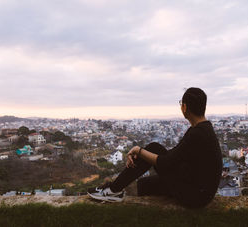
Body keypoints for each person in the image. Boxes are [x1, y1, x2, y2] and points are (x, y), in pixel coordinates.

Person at [88, 87, 222, 208]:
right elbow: (174, 156)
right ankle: (118, 193)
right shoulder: (203, 129)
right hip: (197, 188)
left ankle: (112, 190)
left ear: (185, 107)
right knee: (145, 183)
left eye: (181, 104)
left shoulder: (197, 133)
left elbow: (165, 162)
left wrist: (139, 151)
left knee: (154, 148)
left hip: (195, 196)